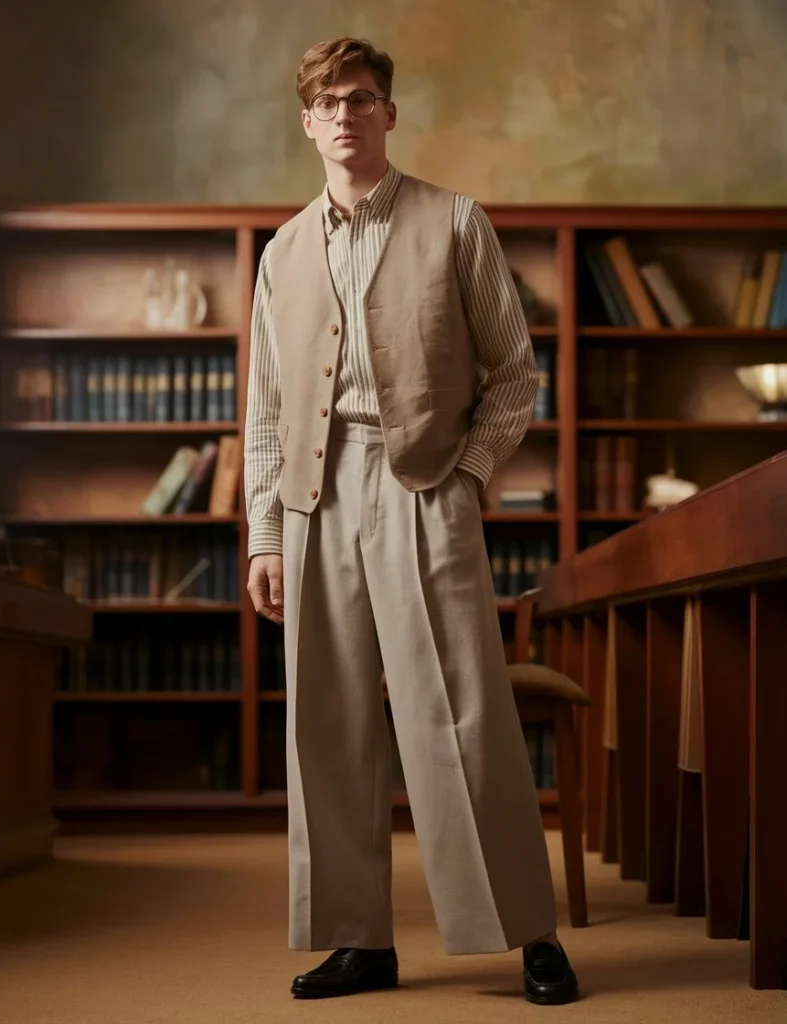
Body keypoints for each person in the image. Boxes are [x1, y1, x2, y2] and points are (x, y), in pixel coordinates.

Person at [243, 35, 580, 1006]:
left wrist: (470, 477)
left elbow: (515, 374)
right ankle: (359, 939)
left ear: (389, 114)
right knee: (328, 725)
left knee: (465, 715)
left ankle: (529, 931)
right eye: (327, 102)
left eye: (361, 98)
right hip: (313, 496)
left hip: (427, 489)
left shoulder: (455, 222)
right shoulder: (281, 254)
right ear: (307, 122)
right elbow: (265, 411)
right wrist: (265, 532)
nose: (345, 114)